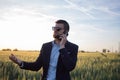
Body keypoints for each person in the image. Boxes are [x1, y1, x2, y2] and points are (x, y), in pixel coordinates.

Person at [9, 19, 79, 80]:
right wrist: (20, 62)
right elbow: (36, 66)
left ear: (65, 32)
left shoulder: (73, 47)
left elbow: (70, 67)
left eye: (58, 29)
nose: (55, 30)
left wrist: (62, 47)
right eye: (54, 28)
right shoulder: (46, 46)